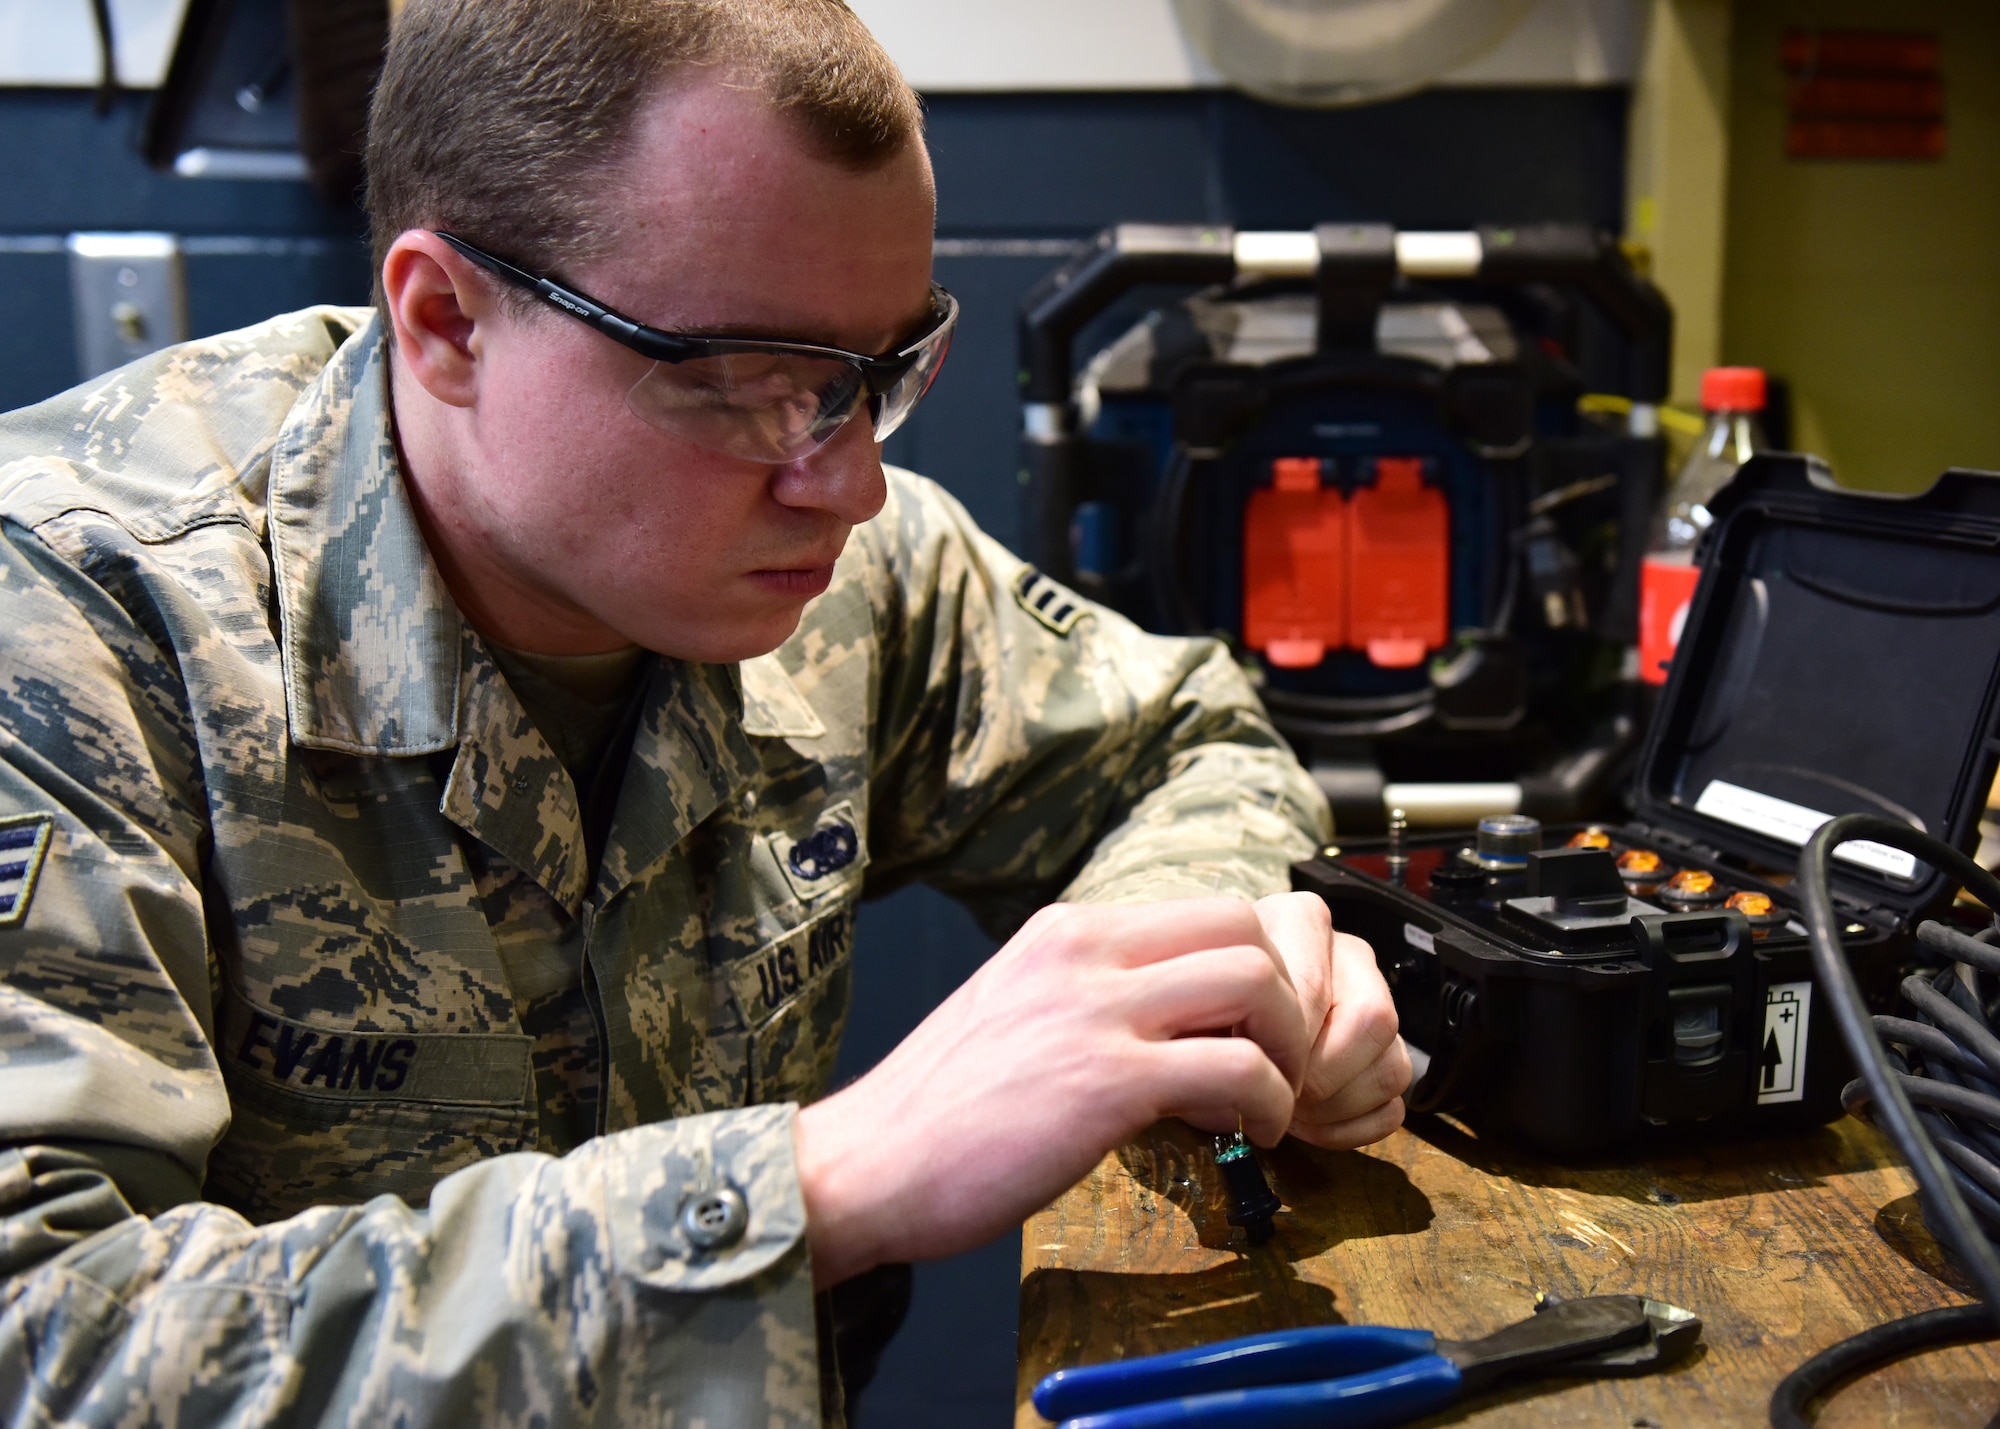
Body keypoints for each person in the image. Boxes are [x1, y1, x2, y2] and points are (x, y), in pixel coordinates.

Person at [0, 1, 1410, 1423]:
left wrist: (1198, 982)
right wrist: (820, 1181)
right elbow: (46, 1338)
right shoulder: (73, 627)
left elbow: (1185, 747)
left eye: (882, 372)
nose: (847, 484)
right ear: (446, 324)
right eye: (747, 381)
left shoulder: (839, 574)